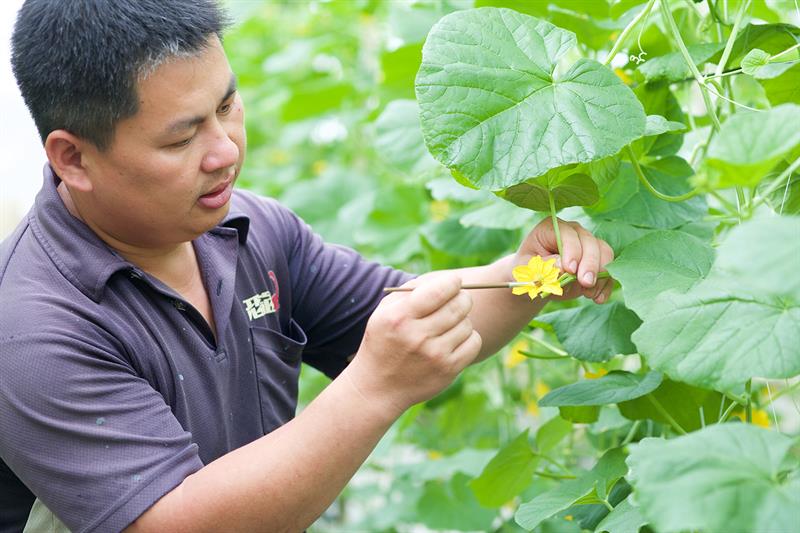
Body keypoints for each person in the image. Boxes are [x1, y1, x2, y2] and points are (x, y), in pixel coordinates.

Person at [0, 1, 614, 531]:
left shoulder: (251, 230)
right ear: (73, 158)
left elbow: (416, 318)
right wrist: (375, 386)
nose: (225, 150)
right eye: (180, 139)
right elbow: (168, 520)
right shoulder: (31, 330)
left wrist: (529, 276)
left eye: (228, 105)